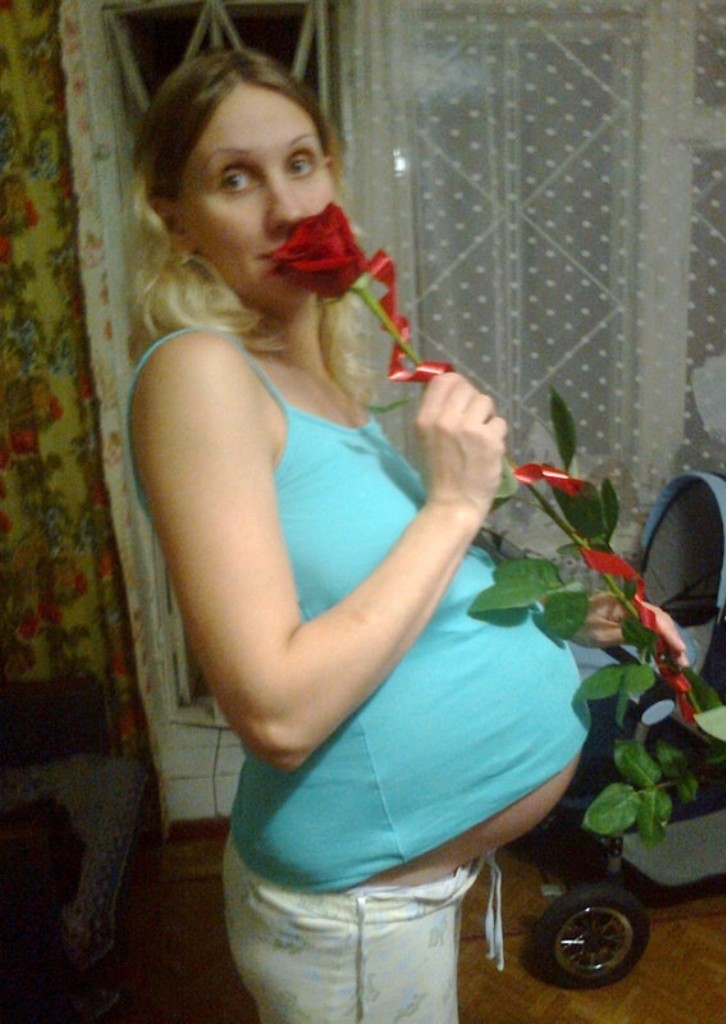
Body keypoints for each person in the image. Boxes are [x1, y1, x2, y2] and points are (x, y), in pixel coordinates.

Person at [128, 48, 687, 1024]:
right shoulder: (199, 372)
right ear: (175, 218)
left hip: (400, 894)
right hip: (351, 914)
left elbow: (386, 603)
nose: (287, 208)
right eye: (235, 179)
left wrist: (569, 622)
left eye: (301, 162)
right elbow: (277, 713)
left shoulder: (323, 385)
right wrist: (452, 504)